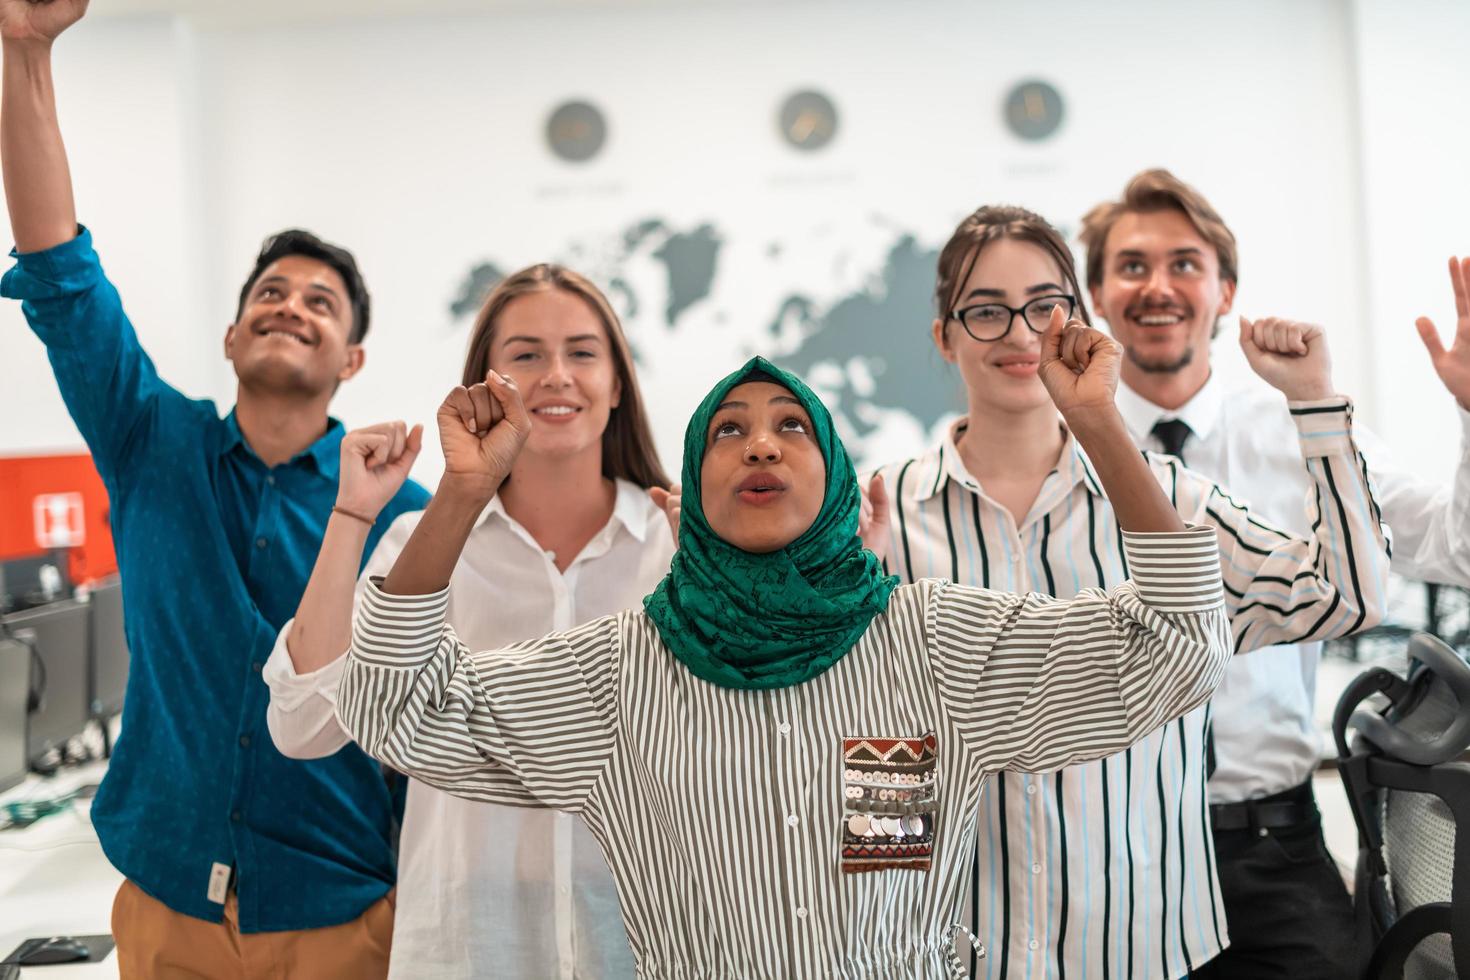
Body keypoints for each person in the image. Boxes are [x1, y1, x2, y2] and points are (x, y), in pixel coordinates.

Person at [324, 307, 1234, 977]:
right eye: (728, 431)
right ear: (693, 475)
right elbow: (392, 706)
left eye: (791, 427)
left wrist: (1100, 425)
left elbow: (1179, 646)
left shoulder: (932, 643)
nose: (760, 446)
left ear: (835, 475)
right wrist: (463, 492)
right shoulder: (618, 672)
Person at [0, 1, 429, 975]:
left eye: (321, 301)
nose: (291, 305)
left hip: (342, 908)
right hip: (164, 898)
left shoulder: (398, 507)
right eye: (269, 292)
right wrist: (24, 54)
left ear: (351, 357)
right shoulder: (152, 437)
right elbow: (61, 271)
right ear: (233, 336)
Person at [870, 204, 1390, 979]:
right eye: (985, 311)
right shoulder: (882, 514)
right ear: (944, 336)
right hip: (956, 951)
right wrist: (881, 930)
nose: (1019, 333)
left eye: (1045, 307)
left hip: (1144, 948)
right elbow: (880, 751)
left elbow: (1345, 597)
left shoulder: (1167, 500)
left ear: (1083, 325)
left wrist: (1313, 403)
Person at [1079, 168, 1470, 978]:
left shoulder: (1306, 427)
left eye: (1185, 263)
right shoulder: (1059, 454)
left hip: (1271, 850)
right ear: (1097, 296)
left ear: (1226, 294)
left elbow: (1456, 548)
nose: (1159, 286)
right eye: (1132, 265)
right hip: (1104, 849)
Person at [266, 263, 675, 979]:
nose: (556, 374)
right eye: (524, 355)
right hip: (467, 946)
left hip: (641, 944)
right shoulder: (419, 549)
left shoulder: (680, 551)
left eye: (582, 352)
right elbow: (302, 726)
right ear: (484, 387)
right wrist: (353, 514)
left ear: (617, 385)